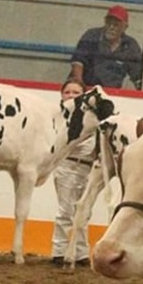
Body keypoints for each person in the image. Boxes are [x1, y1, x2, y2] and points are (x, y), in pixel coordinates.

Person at [50, 80, 96, 267]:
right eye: (67, 92)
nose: (71, 96)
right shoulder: (58, 117)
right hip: (67, 166)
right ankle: (58, 252)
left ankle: (81, 253)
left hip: (89, 168)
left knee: (83, 212)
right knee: (66, 211)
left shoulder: (93, 117)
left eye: (76, 93)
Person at [68, 5, 142, 90]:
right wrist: (79, 88)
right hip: (87, 88)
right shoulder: (92, 36)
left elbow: (138, 77)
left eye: (116, 25)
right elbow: (78, 63)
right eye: (109, 23)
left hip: (112, 93)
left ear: (125, 27)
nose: (111, 27)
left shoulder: (130, 45)